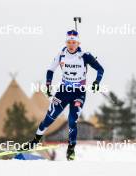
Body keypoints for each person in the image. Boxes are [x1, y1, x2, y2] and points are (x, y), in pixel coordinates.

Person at [22, 30, 104, 160]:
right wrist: (48, 85)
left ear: (78, 43)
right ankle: (34, 141)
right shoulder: (61, 55)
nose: (71, 45)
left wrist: (96, 82)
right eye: (69, 42)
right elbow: (50, 70)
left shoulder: (85, 56)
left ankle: (71, 149)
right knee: (49, 117)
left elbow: (100, 69)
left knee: (72, 121)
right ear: (66, 42)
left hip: (78, 93)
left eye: (74, 42)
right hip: (63, 91)